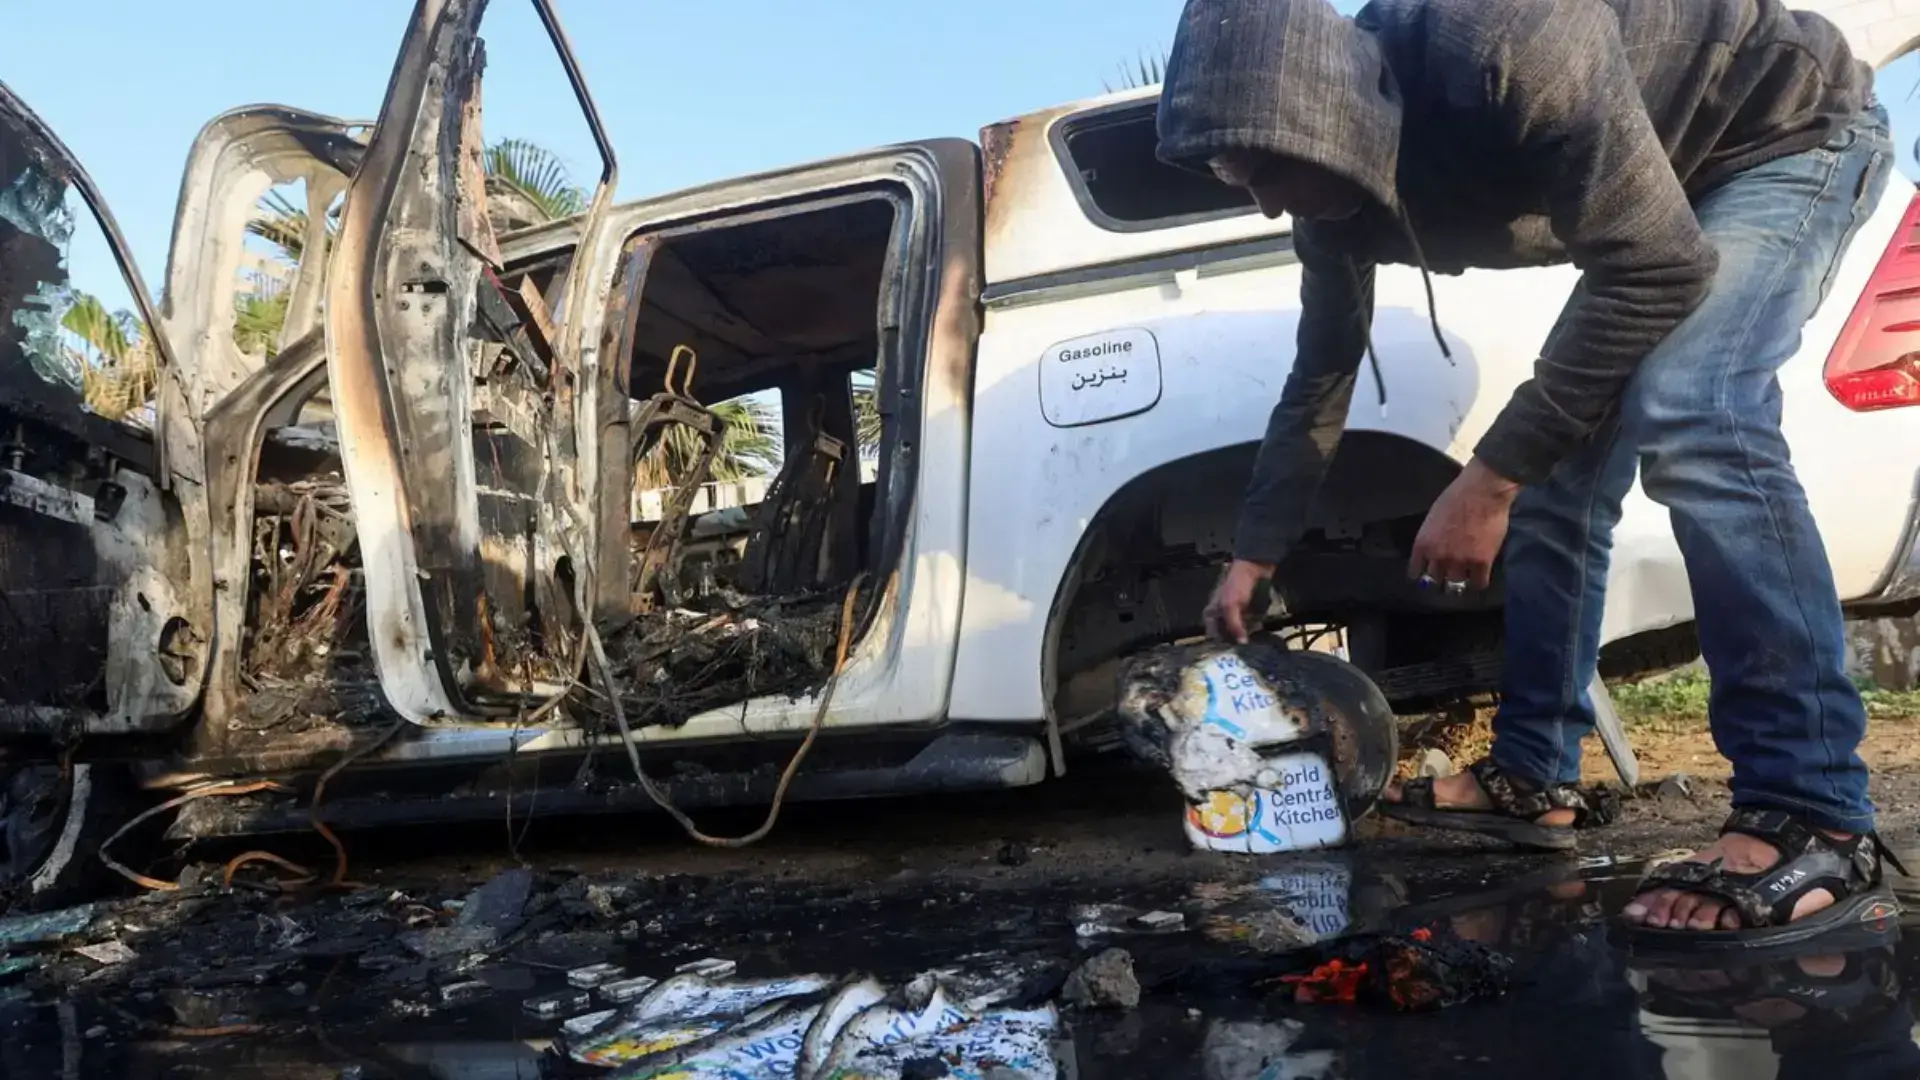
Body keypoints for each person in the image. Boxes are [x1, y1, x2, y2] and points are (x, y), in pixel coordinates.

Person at [1157, 0, 1900, 947]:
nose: (1264, 204)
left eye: (1267, 168)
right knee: (1555, 490)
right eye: (1235, 179)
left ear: (1327, 109)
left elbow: (1657, 266)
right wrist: (1252, 558)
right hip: (1652, 203)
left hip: (1776, 137)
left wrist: (1488, 477)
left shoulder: (1504, 33)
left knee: (1695, 411)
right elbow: (1320, 378)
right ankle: (1533, 775)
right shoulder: (1330, 210)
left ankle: (1812, 811)